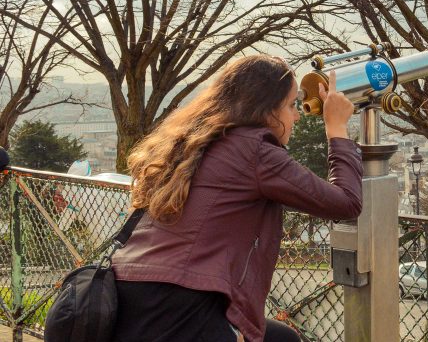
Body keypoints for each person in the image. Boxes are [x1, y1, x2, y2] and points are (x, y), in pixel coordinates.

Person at [110, 55, 362, 342]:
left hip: (128, 291)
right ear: (266, 111)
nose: (296, 116)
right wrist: (337, 128)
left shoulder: (193, 140)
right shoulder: (255, 150)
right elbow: (346, 203)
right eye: (291, 106)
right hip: (182, 304)